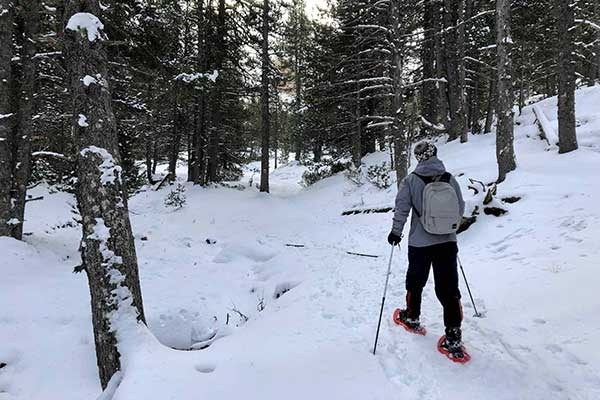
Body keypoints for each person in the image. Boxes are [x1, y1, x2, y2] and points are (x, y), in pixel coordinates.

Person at [387, 140, 466, 357]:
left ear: (418, 158)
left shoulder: (411, 181)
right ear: (436, 154)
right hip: (447, 242)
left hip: (420, 243)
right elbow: (460, 207)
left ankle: (412, 317)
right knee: (449, 289)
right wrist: (449, 229)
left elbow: (402, 208)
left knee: (416, 281)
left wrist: (396, 232)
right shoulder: (450, 179)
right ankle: (453, 337)